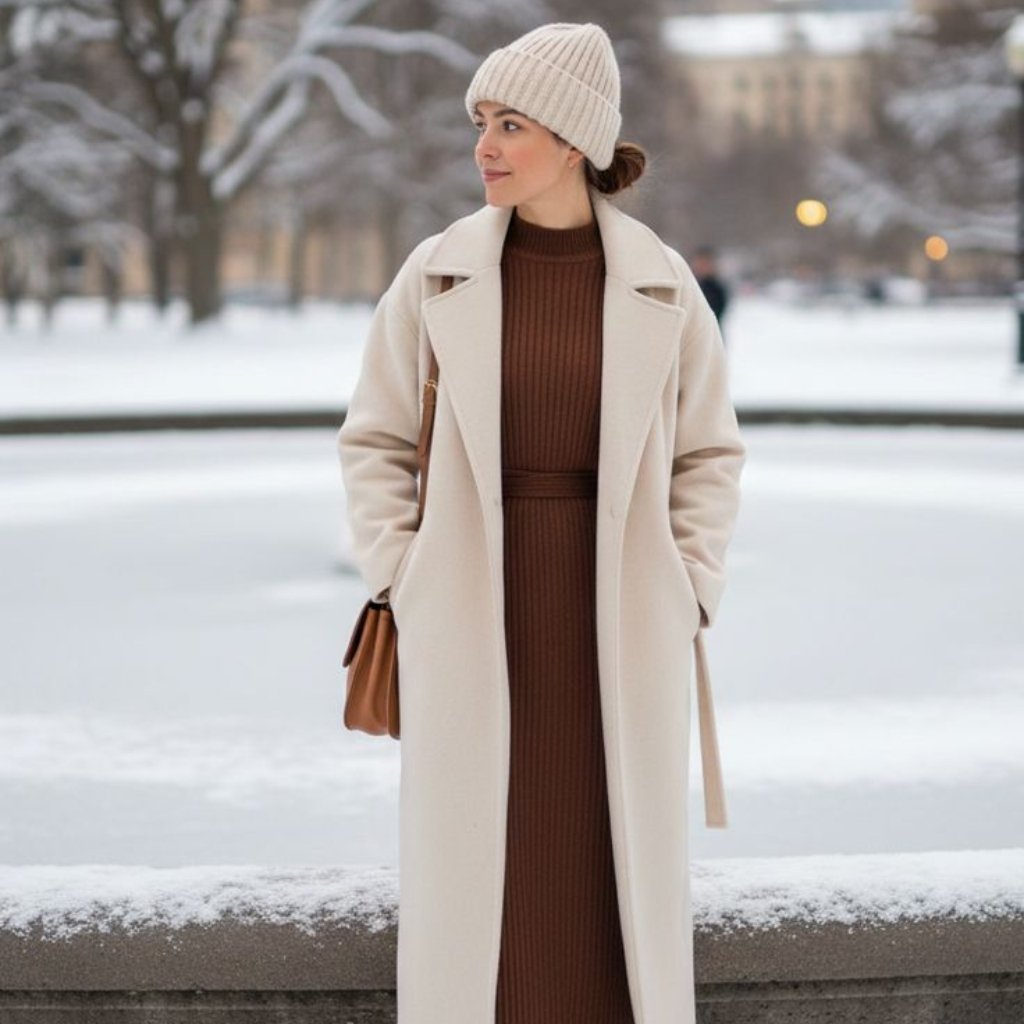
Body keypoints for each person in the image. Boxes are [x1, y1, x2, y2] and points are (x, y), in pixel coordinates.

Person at [337, 21, 745, 1024]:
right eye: (481, 120)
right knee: (479, 854)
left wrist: (688, 584)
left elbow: (708, 455)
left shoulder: (661, 284)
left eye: (510, 123)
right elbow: (374, 441)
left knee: (610, 855)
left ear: (573, 140)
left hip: (620, 609)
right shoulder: (435, 273)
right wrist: (404, 574)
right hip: (473, 600)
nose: (485, 144)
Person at [692, 244, 731, 338]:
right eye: (699, 262)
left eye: (705, 263)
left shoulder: (717, 288)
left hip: (712, 335)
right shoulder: (691, 283)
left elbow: (719, 312)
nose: (701, 266)